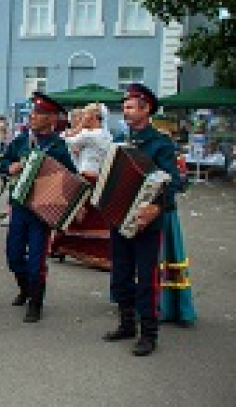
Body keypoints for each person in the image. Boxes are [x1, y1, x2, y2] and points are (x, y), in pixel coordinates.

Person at [102, 83, 194, 356]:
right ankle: (126, 323)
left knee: (147, 278)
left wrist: (156, 207)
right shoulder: (123, 141)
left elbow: (173, 182)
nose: (126, 112)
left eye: (130, 107)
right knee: (120, 273)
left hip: (147, 221)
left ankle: (149, 334)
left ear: (146, 109)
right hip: (120, 218)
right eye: (125, 107)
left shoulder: (161, 144)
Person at [0, 92, 76, 323]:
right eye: (32, 111)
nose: (32, 116)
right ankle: (25, 288)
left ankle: (36, 302)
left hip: (42, 212)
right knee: (13, 256)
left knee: (37, 262)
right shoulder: (22, 140)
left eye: (39, 113)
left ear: (51, 118)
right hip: (20, 206)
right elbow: (3, 162)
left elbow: (71, 179)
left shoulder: (58, 147)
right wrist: (10, 167)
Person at [51, 103, 113, 270]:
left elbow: (64, 141)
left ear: (93, 118)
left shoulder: (92, 135)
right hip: (94, 177)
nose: (82, 119)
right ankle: (65, 247)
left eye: (85, 116)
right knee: (85, 216)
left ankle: (64, 246)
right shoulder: (103, 134)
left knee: (75, 214)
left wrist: (77, 127)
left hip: (87, 178)